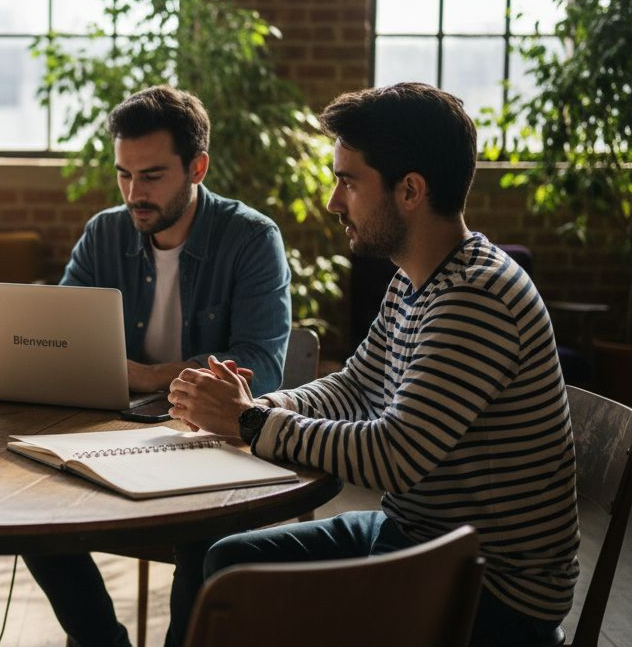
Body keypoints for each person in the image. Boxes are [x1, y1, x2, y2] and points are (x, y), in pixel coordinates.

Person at [171, 82, 579, 646]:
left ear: (409, 190)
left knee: (247, 603)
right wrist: (259, 404)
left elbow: (394, 456)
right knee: (222, 562)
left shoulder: (476, 297)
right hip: (419, 538)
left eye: (348, 180)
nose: (334, 201)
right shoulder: (416, 281)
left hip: (489, 587)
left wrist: (248, 424)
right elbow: (355, 387)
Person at [24, 84, 292, 647]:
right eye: (123, 174)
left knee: (202, 538)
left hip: (209, 442)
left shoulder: (250, 238)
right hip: (112, 432)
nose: (133, 193)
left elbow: (263, 364)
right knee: (28, 515)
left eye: (151, 176)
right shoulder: (105, 233)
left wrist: (148, 376)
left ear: (197, 166)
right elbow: (64, 338)